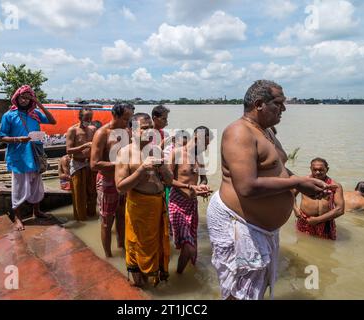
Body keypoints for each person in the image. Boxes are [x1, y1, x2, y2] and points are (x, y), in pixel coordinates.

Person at [206, 80, 333, 300]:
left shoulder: (267, 131)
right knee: (239, 292)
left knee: (256, 287)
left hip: (262, 228)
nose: (284, 109)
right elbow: (247, 186)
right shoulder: (239, 133)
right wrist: (296, 183)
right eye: (279, 103)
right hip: (238, 222)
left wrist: (304, 182)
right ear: (259, 104)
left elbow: (278, 168)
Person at [115, 113, 173, 287]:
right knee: (136, 244)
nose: (149, 131)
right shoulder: (124, 152)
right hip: (139, 207)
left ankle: (153, 280)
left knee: (157, 243)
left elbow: (169, 181)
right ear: (132, 131)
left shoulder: (156, 150)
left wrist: (162, 167)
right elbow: (120, 187)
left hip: (158, 205)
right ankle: (140, 285)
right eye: (144, 128)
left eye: (150, 128)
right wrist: (142, 169)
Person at [0, 85, 57, 231]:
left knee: (36, 184)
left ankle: (36, 211)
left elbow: (53, 121)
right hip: (18, 157)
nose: (24, 100)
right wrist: (18, 139)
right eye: (22, 97)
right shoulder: (9, 115)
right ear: (16, 98)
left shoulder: (35, 114)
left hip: (35, 155)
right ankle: (17, 217)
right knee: (18, 187)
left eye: (28, 98)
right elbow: (1, 137)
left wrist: (38, 103)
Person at [91, 102, 135, 257]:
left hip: (123, 182)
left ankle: (122, 249)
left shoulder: (127, 132)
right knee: (106, 221)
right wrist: (120, 164)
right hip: (107, 182)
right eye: (124, 119)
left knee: (122, 217)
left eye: (129, 120)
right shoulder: (102, 133)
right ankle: (108, 256)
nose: (127, 123)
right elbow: (94, 164)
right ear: (114, 115)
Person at [168, 126, 213, 274]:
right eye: (205, 144)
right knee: (189, 246)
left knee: (190, 247)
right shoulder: (177, 153)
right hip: (177, 203)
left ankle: (180, 274)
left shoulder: (199, 157)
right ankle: (178, 275)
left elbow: (204, 178)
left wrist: (203, 187)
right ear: (197, 139)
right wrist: (189, 187)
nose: (206, 147)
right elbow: (166, 181)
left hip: (192, 204)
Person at [293, 158, 344, 240]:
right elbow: (290, 195)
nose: (317, 172)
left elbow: (340, 210)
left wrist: (318, 220)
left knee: (327, 249)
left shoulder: (335, 186)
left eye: (321, 170)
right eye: (315, 170)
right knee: (302, 245)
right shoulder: (303, 182)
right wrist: (295, 209)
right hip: (305, 220)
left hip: (326, 223)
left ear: (327, 169)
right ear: (310, 169)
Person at [66, 107, 98, 220]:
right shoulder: (72, 130)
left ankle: (92, 216)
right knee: (79, 195)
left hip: (90, 164)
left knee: (92, 193)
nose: (88, 120)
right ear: (80, 117)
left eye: (90, 118)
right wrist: (84, 146)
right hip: (78, 164)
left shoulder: (93, 129)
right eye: (86, 118)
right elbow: (68, 150)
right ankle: (80, 218)